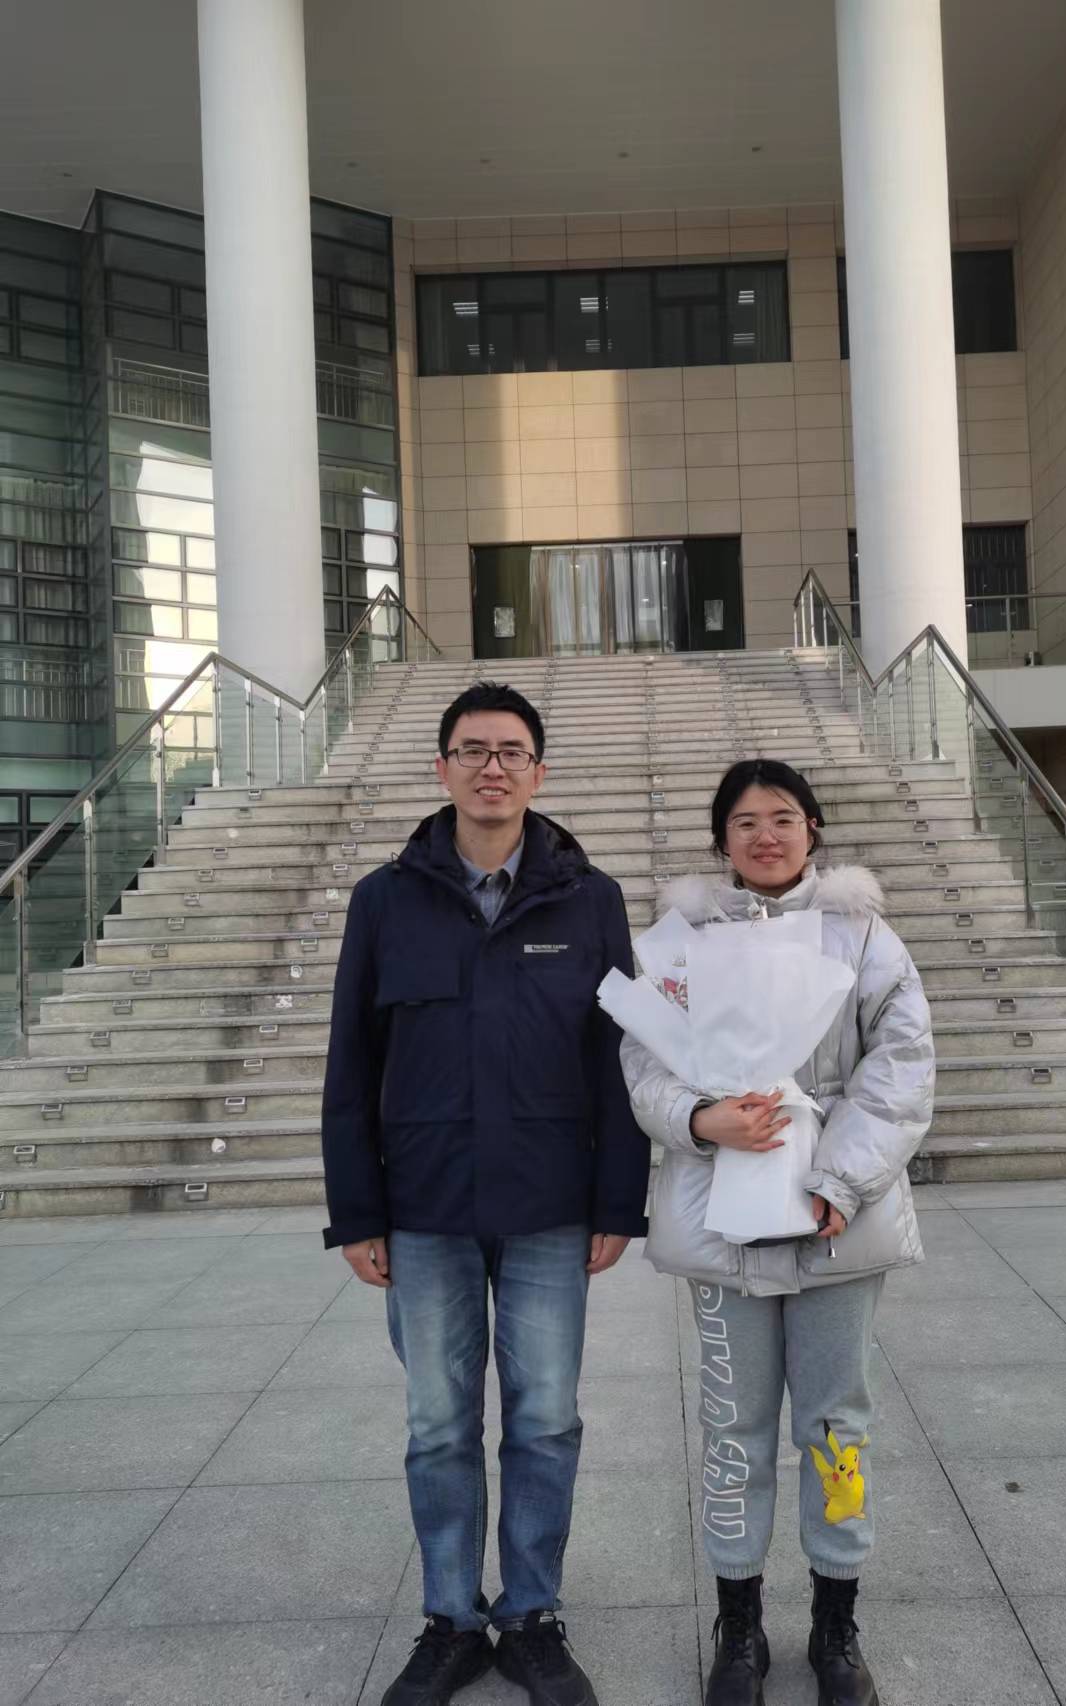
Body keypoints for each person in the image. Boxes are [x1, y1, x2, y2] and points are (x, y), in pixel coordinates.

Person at [321, 680, 650, 1706]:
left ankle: (533, 1614)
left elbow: (619, 1057)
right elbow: (349, 1064)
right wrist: (358, 1211)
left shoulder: (588, 898)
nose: (491, 766)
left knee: (545, 1416)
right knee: (438, 1422)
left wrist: (618, 1199)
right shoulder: (384, 900)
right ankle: (452, 1618)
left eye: (510, 750)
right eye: (472, 749)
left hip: (551, 1204)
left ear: (537, 772)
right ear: (442, 768)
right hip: (423, 1207)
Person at [621, 759, 935, 1706]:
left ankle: (836, 1621)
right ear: (721, 838)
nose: (766, 835)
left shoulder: (864, 936)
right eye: (746, 821)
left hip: (837, 1223)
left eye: (784, 817)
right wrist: (700, 1118)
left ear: (813, 830)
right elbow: (643, 1059)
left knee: (837, 1426)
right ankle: (741, 1625)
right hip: (723, 1224)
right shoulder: (682, 943)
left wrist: (841, 1178)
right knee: (733, 1429)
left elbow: (901, 1064)